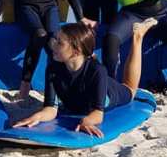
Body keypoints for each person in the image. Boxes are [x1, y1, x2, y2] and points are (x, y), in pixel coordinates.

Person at [13, 20, 156, 137]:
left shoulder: (97, 71)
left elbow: (98, 114)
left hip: (109, 92)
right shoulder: (53, 69)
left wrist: (86, 122)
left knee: (130, 90)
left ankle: (138, 37)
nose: (53, 45)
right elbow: (50, 109)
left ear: (76, 51)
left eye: (59, 43)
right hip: (79, 97)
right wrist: (36, 117)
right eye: (55, 40)